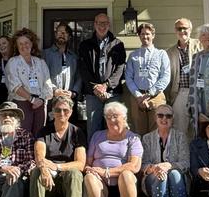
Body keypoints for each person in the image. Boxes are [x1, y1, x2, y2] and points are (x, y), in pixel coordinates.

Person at [29, 96, 86, 197]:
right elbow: (39, 156)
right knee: (36, 172)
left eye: (65, 110)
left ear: (71, 112)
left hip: (66, 178)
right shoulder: (43, 131)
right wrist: (43, 168)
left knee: (75, 173)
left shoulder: (77, 132)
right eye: (58, 110)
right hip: (48, 180)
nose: (61, 113)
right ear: (52, 112)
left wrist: (56, 166)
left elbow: (80, 164)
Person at [84, 102, 143, 197]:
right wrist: (90, 169)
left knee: (127, 174)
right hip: (101, 183)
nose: (111, 120)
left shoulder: (133, 138)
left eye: (115, 116)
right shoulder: (97, 136)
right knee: (89, 178)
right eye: (108, 117)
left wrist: (107, 172)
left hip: (124, 183)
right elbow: (87, 162)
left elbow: (134, 166)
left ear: (124, 118)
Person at [140, 104, 190, 197]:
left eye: (168, 116)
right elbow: (143, 164)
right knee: (160, 177)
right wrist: (155, 168)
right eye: (160, 115)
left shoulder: (180, 137)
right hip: (153, 177)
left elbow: (185, 163)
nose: (164, 119)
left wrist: (168, 165)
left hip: (176, 178)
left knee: (174, 174)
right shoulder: (147, 138)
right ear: (155, 118)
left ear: (173, 119)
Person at [78, 13, 126, 141]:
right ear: (95, 24)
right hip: (93, 93)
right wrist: (95, 87)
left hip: (112, 93)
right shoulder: (85, 45)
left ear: (109, 25)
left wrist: (107, 85)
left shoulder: (118, 44)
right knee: (93, 129)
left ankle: (114, 153)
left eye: (105, 23)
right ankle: (93, 154)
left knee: (114, 127)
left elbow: (120, 68)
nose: (102, 26)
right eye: (99, 23)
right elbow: (83, 69)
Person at [5, 28, 54, 137]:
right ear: (16, 46)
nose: (24, 46)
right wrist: (32, 99)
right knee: (22, 135)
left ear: (32, 43)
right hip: (21, 104)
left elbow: (48, 85)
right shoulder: (13, 62)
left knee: (39, 135)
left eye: (26, 42)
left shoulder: (40, 62)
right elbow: (15, 86)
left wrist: (41, 100)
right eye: (20, 44)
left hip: (40, 104)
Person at [125, 23, 170, 135]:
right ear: (139, 36)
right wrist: (139, 96)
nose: (145, 36)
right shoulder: (133, 55)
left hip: (156, 96)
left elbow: (165, 77)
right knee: (138, 131)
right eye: (142, 34)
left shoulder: (161, 54)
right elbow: (128, 77)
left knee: (157, 131)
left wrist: (150, 94)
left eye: (148, 34)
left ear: (153, 35)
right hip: (137, 97)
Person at [166, 17, 202, 138]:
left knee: (199, 127)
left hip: (198, 91)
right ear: (175, 31)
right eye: (179, 28)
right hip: (180, 92)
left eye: (184, 28)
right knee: (179, 128)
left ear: (190, 29)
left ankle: (197, 150)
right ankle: (182, 150)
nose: (182, 31)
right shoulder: (170, 52)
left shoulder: (200, 45)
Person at [42, 24, 82, 124]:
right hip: (51, 100)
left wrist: (73, 92)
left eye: (65, 33)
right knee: (51, 128)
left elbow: (79, 76)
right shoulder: (45, 54)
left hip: (69, 101)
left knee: (69, 129)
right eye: (59, 32)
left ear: (69, 37)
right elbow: (42, 76)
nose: (62, 34)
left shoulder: (73, 57)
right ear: (55, 34)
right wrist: (54, 90)